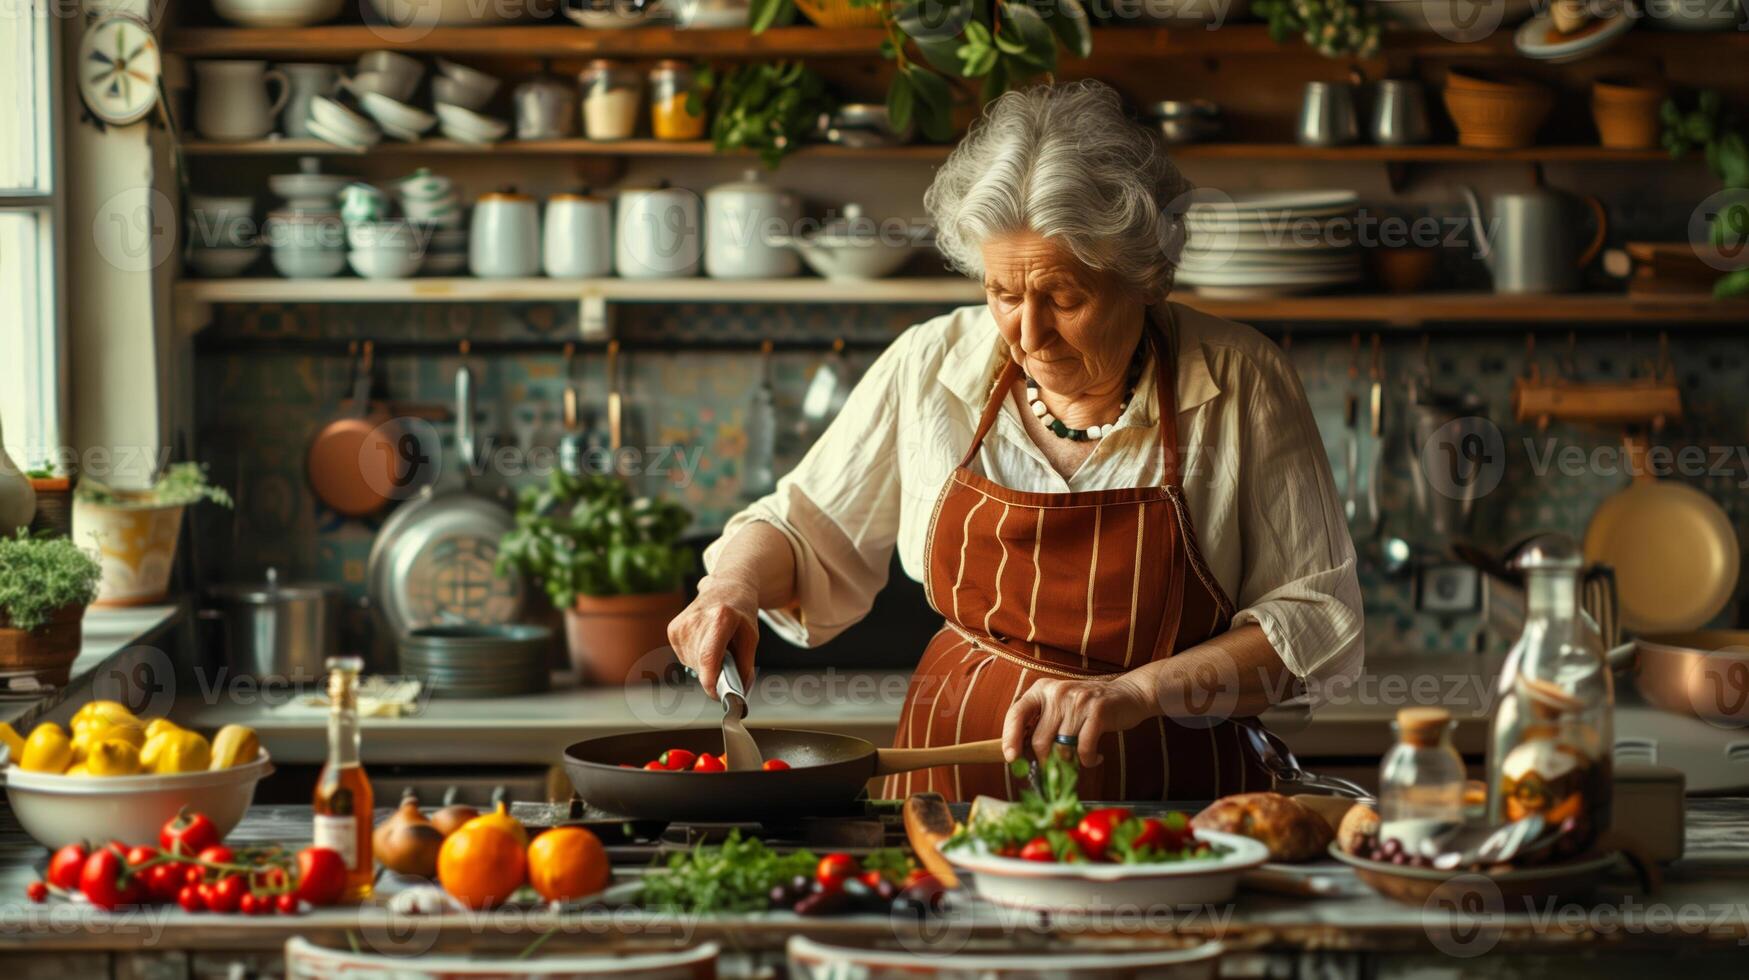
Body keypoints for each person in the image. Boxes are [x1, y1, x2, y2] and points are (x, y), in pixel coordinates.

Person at [668, 80, 1363, 802]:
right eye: (1002, 294)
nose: (1028, 335)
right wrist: (732, 586)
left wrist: (1136, 692)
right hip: (950, 791)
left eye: (1064, 298)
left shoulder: (1240, 380)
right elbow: (802, 527)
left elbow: (1314, 620)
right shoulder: (931, 362)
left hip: (1172, 799)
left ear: (1145, 278)